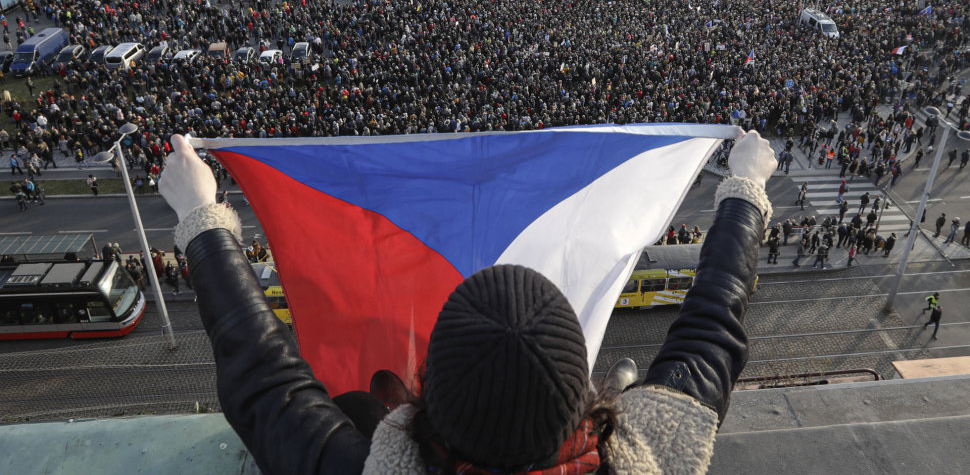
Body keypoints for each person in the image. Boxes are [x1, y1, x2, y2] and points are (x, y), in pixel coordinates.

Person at [157, 130, 776, 474]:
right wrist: (744, 190)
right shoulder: (659, 454)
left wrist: (202, 219)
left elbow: (266, 383)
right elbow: (712, 325)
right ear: (583, 394)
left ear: (426, 391)